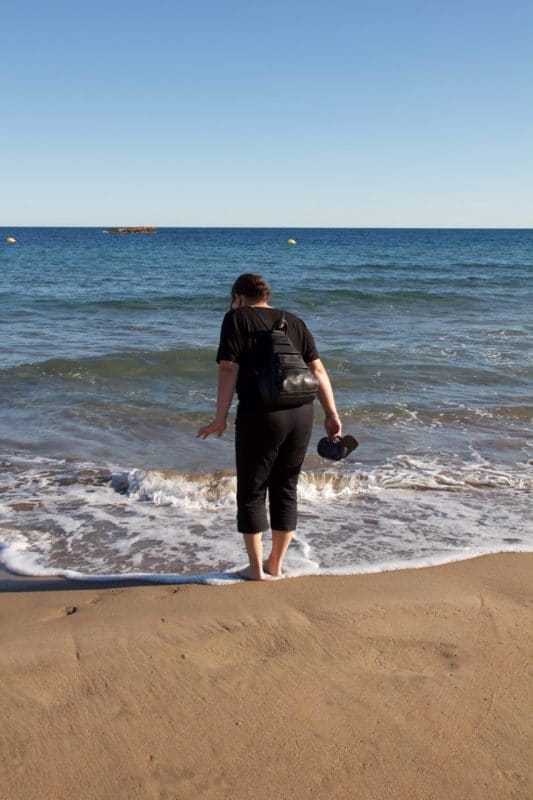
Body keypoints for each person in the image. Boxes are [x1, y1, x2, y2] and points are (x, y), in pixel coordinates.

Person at [197, 274, 341, 581]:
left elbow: (228, 367)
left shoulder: (237, 318)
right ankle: (275, 563)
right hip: (302, 413)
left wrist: (220, 417)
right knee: (285, 488)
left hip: (261, 415)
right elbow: (317, 369)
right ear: (266, 295)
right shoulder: (294, 321)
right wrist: (331, 413)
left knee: (252, 490)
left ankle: (255, 568)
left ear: (238, 296)